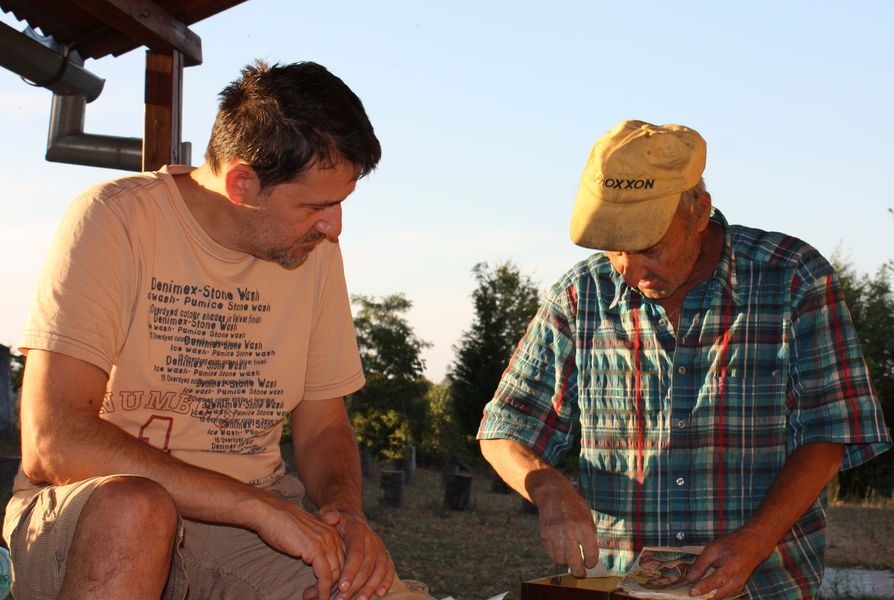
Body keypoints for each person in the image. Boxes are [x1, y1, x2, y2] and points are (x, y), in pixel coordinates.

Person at [3, 60, 431, 600]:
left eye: (339, 205)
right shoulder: (114, 220)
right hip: (96, 507)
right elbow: (53, 440)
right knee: (136, 509)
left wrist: (345, 516)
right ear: (241, 183)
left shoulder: (314, 253)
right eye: (316, 206)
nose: (333, 226)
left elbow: (323, 426)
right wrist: (254, 506)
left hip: (249, 530)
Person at [478, 119, 892, 599]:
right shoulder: (581, 295)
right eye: (615, 249)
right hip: (621, 587)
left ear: (699, 212)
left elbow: (830, 433)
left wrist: (753, 542)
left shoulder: (792, 277)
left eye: (650, 246)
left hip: (762, 586)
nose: (630, 271)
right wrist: (546, 486)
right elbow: (503, 430)